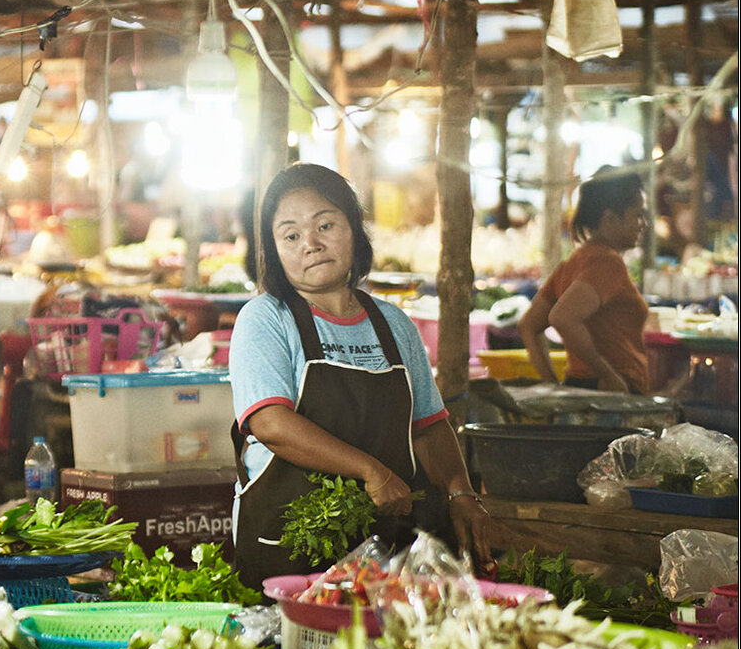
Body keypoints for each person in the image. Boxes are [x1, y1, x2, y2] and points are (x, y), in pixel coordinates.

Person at [228, 163, 492, 590]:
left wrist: (461, 493)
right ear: (273, 250)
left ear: (354, 229)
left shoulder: (393, 324)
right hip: (288, 551)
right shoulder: (265, 319)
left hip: (386, 549)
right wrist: (371, 471)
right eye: (290, 235)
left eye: (325, 225)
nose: (310, 244)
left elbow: (428, 426)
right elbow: (271, 423)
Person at [518, 166, 649, 394]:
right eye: (638, 214)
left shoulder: (575, 262)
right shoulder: (607, 263)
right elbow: (563, 317)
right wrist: (607, 374)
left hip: (583, 388)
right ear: (609, 218)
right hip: (611, 394)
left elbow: (529, 325)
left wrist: (554, 385)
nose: (643, 224)